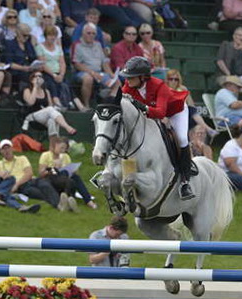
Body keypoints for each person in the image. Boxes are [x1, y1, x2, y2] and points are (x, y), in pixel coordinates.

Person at [121, 56, 195, 199]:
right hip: (151, 113)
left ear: (142, 77)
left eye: (131, 76)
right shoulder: (128, 85)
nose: (128, 79)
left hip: (175, 111)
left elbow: (161, 113)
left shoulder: (158, 85)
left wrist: (142, 107)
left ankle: (185, 181)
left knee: (181, 138)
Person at [0, 139, 70, 211]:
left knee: (45, 185)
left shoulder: (22, 158)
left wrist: (16, 185)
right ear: (1, 151)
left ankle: (61, 203)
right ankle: (60, 204)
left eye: (8, 148)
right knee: (39, 193)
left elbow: (29, 173)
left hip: (31, 180)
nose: (6, 150)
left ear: (12, 149)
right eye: (3, 149)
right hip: (22, 186)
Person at [38, 136, 98, 209]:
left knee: (75, 177)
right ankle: (69, 199)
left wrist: (74, 170)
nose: (63, 150)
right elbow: (41, 174)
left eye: (64, 148)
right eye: (61, 148)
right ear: (55, 145)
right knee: (64, 172)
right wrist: (54, 168)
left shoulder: (65, 156)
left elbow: (72, 172)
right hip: (52, 179)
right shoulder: (46, 155)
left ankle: (88, 201)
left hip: (66, 180)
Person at [21, 71, 77, 147]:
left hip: (44, 116)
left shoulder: (46, 91)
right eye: (36, 76)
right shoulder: (27, 90)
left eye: (40, 76)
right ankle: (67, 127)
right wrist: (35, 87)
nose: (38, 78)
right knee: (50, 110)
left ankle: (53, 146)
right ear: (31, 80)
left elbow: (50, 105)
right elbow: (30, 102)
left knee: (51, 120)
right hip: (32, 116)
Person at [71, 23, 120, 107]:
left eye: (93, 33)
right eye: (88, 33)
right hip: (83, 72)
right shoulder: (77, 45)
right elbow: (77, 64)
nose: (91, 35)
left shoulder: (98, 44)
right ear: (83, 33)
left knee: (117, 82)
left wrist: (111, 74)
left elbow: (104, 62)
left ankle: (110, 104)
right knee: (88, 79)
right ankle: (87, 105)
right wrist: (92, 73)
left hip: (99, 72)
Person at [164, 69, 218, 138]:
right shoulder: (164, 89)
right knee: (191, 112)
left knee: (192, 110)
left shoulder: (182, 89)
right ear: (167, 80)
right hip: (170, 114)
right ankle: (208, 129)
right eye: (171, 79)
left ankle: (207, 131)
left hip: (184, 114)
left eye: (176, 79)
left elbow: (191, 104)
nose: (173, 81)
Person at [2, 23, 40, 89]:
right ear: (18, 33)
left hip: (29, 70)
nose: (26, 38)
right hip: (17, 71)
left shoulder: (28, 44)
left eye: (28, 36)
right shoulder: (10, 44)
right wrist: (23, 68)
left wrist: (36, 65)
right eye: (24, 35)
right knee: (28, 77)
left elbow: (34, 58)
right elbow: (9, 64)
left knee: (40, 76)